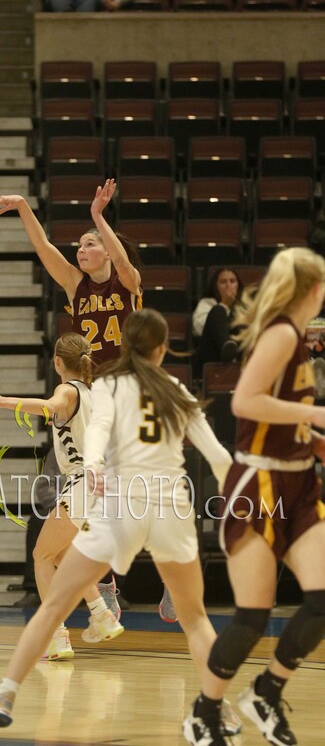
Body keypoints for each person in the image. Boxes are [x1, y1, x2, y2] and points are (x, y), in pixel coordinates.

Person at [0, 308, 242, 738]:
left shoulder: (108, 386)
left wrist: (90, 467)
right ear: (165, 349)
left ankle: (4, 694)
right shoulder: (178, 390)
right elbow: (220, 458)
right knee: (197, 619)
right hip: (171, 508)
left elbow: (94, 445)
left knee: (53, 598)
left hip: (118, 500)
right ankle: (221, 710)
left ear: (124, 347)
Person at [0, 178, 173, 620]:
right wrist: (23, 208)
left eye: (89, 246)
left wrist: (98, 218)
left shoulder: (128, 284)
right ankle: (103, 579)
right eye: (81, 246)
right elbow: (45, 248)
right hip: (92, 402)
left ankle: (166, 569)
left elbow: (125, 264)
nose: (80, 251)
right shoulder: (76, 287)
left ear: (107, 250)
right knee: (87, 490)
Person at [184, 247, 325, 746]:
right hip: (260, 486)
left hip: (301, 481)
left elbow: (289, 415)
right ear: (313, 288)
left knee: (321, 599)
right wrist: (312, 416)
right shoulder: (282, 333)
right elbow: (245, 402)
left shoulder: (301, 340)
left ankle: (267, 691)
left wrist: (314, 435)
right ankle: (205, 711)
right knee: (252, 616)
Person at [0, 332, 123, 660]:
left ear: (57, 362)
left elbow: (49, 407)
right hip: (101, 486)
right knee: (62, 557)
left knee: (41, 557)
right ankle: (101, 616)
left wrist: (4, 401)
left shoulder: (67, 390)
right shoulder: (93, 394)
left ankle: (57, 637)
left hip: (83, 484)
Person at [193, 267, 244, 371]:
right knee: (218, 311)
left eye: (232, 281)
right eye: (223, 282)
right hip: (212, 356)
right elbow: (199, 329)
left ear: (238, 285)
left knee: (240, 316)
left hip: (239, 355)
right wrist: (224, 304)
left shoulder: (243, 307)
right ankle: (227, 347)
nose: (228, 286)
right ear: (215, 286)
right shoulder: (206, 303)